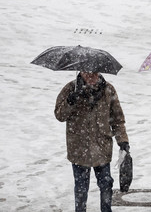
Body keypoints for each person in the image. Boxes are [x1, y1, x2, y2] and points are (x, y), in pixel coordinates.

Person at [54, 71, 129, 212]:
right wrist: (70, 101)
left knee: (106, 184)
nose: (91, 77)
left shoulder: (108, 89)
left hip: (102, 147)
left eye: (94, 73)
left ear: (99, 73)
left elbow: (117, 119)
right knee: (81, 188)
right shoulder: (71, 89)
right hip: (79, 148)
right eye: (87, 73)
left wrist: (123, 141)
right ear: (80, 72)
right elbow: (59, 115)